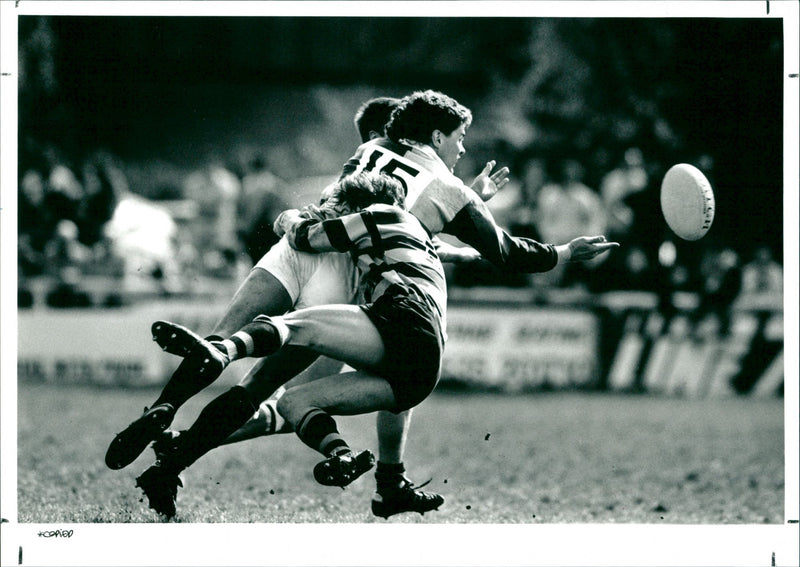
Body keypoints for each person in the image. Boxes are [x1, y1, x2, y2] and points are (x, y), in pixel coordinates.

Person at [108, 89, 618, 516]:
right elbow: (489, 248)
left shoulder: (372, 148)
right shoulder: (446, 185)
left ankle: (164, 409)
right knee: (266, 389)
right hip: (347, 273)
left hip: (303, 241)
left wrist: (290, 220)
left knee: (229, 346)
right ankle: (175, 464)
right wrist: (554, 247)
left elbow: (382, 211)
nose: (463, 148)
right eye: (459, 138)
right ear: (437, 137)